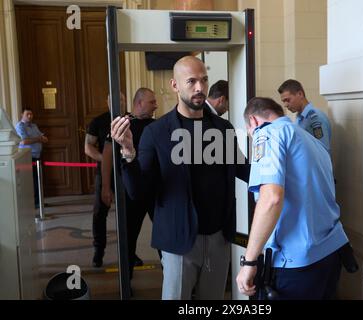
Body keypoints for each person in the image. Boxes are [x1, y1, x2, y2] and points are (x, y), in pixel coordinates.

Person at [110, 56, 249, 300]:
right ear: (175, 85)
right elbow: (138, 191)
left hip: (219, 238)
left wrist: (279, 168)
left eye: (204, 80)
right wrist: (128, 153)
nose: (200, 88)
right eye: (192, 81)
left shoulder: (222, 128)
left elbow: (243, 170)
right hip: (179, 240)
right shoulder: (157, 132)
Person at [236, 97, 349, 300]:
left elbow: (270, 199)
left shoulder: (267, 133)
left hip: (296, 263)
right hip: (330, 253)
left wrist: (249, 262)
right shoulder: (310, 140)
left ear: (252, 121)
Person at [101, 88, 158, 277]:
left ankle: (173, 277)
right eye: (152, 102)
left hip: (154, 191)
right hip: (130, 191)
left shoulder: (158, 126)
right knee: (128, 237)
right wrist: (106, 187)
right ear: (140, 102)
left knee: (163, 234)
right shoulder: (122, 125)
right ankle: (126, 281)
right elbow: (107, 156)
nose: (156, 105)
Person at [85, 93, 126, 268]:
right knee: (100, 212)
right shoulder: (99, 121)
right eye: (114, 100)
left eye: (121, 100)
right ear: (108, 102)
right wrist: (105, 159)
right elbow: (88, 147)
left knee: (129, 215)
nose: (118, 103)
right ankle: (98, 251)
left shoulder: (130, 119)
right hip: (104, 173)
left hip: (126, 173)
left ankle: (130, 253)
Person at [278, 79, 332, 154]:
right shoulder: (300, 118)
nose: (285, 105)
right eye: (283, 101)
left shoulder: (315, 118)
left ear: (300, 94)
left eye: (287, 100)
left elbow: (322, 151)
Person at [15, 108, 49, 209]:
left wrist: (41, 138)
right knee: (32, 181)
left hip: (37, 156)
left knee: (38, 179)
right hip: (28, 157)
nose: (30, 116)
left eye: (31, 114)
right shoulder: (20, 126)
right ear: (22, 114)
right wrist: (38, 139)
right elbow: (24, 141)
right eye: (27, 114)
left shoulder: (34, 126)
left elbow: (43, 137)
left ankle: (39, 201)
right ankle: (34, 203)